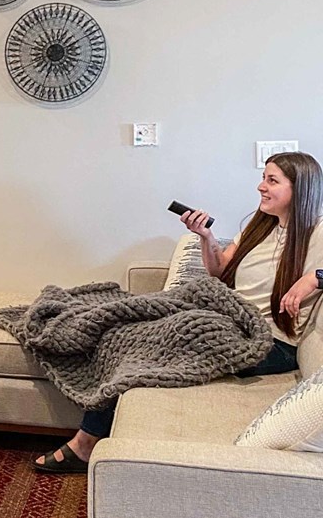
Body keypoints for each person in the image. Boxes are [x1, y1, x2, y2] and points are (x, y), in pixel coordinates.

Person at [35, 152, 323, 474]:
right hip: (229, 319)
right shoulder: (260, 228)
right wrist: (206, 237)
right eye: (263, 178)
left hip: (269, 343)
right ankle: (88, 437)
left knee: (152, 346)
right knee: (127, 329)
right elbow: (219, 272)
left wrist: (314, 277)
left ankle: (85, 443)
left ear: (301, 189)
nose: (260, 187)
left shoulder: (318, 232)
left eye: (272, 181)